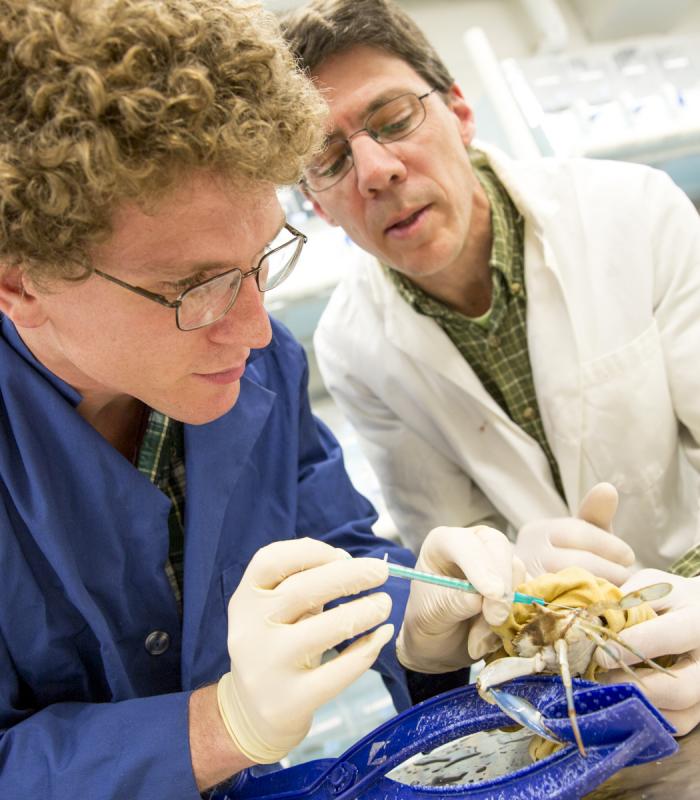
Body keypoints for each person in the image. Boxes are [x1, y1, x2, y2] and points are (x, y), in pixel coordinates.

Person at [0, 0, 523, 796]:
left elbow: (333, 550)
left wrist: (423, 609)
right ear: (19, 281)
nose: (251, 328)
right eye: (197, 287)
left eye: (261, 259)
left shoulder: (260, 366)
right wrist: (220, 727)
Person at [281, 0, 700, 733]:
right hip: (578, 679)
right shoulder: (354, 347)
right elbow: (457, 560)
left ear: (460, 112)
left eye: (393, 120)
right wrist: (513, 573)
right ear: (315, 203)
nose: (375, 171)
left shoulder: (635, 213)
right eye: (331, 160)